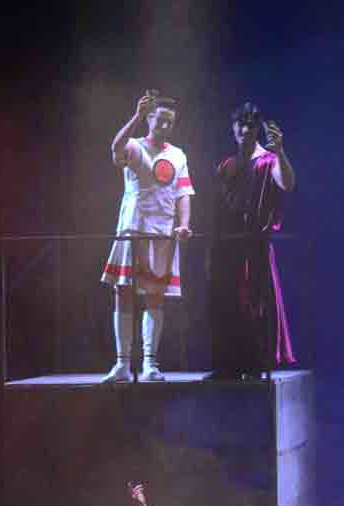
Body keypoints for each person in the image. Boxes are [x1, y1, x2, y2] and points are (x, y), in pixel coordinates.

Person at [101, 90, 193, 383]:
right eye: (161, 120)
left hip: (162, 232)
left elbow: (183, 193)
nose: (165, 126)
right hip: (132, 227)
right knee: (124, 293)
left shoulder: (178, 155)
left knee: (155, 295)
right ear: (150, 119)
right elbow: (115, 148)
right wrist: (136, 115)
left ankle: (150, 364)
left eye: (170, 122)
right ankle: (122, 364)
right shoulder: (134, 145)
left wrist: (184, 224)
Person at [207, 102, 295, 379]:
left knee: (256, 302)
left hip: (254, 244)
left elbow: (287, 183)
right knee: (227, 303)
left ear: (257, 129)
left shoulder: (268, 160)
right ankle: (229, 365)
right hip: (227, 245)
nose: (245, 130)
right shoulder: (227, 165)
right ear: (233, 128)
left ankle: (257, 364)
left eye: (251, 125)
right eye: (241, 124)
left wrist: (280, 151)